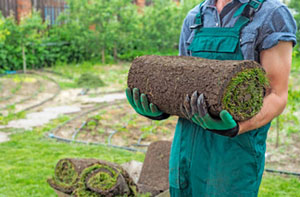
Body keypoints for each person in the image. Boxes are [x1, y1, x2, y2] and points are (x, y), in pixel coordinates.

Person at [126, 0, 297, 196]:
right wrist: (160, 106)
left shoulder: (272, 14)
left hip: (234, 151)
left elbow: (277, 94)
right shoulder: (195, 16)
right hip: (186, 146)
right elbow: (180, 84)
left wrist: (237, 127)